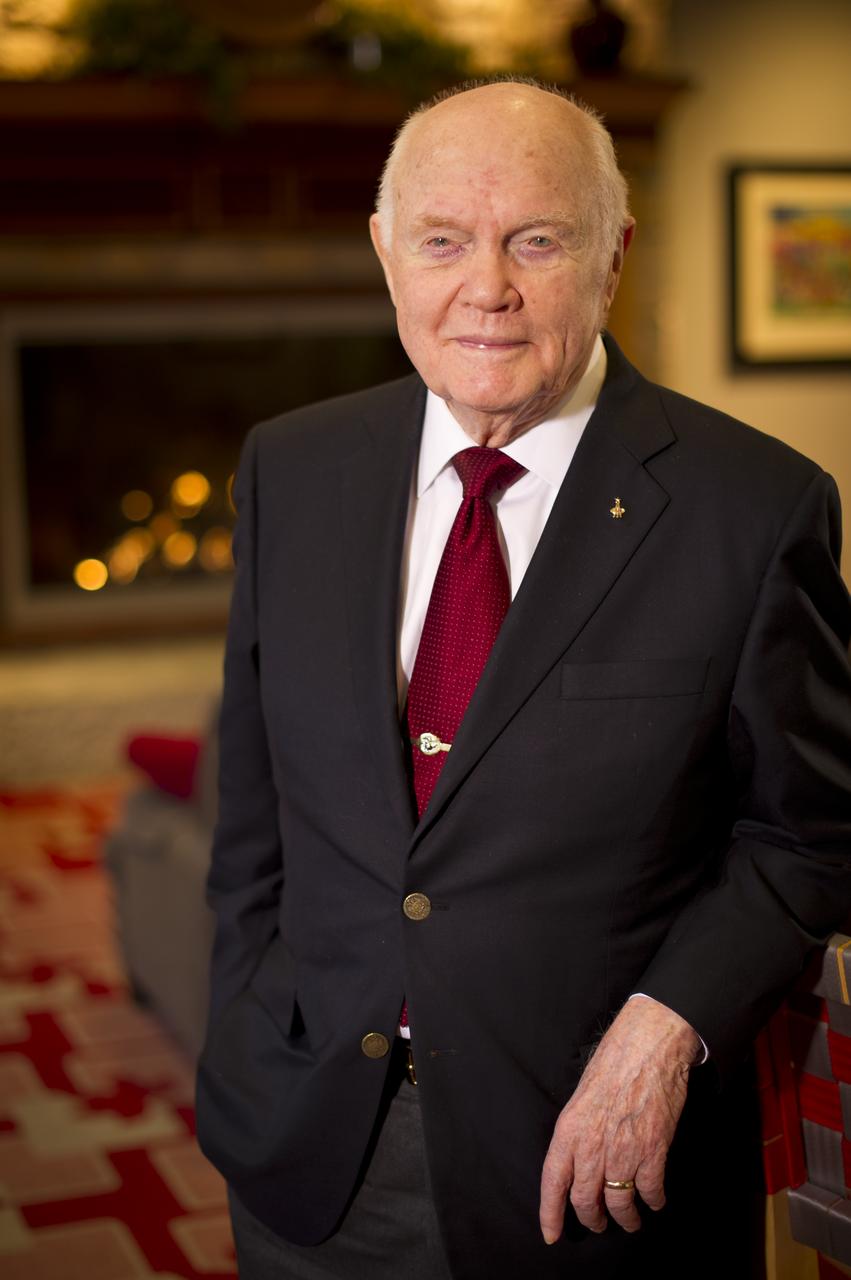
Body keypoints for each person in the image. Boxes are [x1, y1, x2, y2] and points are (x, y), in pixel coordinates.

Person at [196, 79, 851, 1279]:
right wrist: (241, 1023)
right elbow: (253, 802)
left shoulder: (753, 507)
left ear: (611, 258)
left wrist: (665, 1032)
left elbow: (807, 834)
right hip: (309, 1146)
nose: (484, 288)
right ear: (387, 254)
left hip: (590, 1167)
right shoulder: (291, 468)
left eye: (535, 240)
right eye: (441, 240)